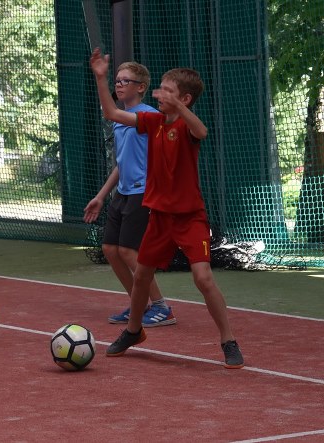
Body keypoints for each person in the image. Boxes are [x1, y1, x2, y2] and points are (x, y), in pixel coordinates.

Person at [89, 48, 244, 368]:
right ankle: (134, 331)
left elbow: (202, 131)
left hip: (189, 218)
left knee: (203, 278)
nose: (160, 93)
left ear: (184, 99)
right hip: (159, 216)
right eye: (159, 87)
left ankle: (228, 340)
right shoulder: (152, 122)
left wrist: (179, 109)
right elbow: (112, 113)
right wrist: (101, 78)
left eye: (167, 90)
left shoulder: (187, 128)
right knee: (141, 275)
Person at [83, 61, 176, 328]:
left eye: (126, 81)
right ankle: (140, 304)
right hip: (122, 192)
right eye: (117, 81)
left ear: (141, 87)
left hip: (143, 192)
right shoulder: (120, 119)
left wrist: (100, 77)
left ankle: (162, 307)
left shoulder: (149, 117)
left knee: (128, 251)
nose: (120, 85)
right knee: (110, 249)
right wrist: (101, 196)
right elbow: (121, 164)